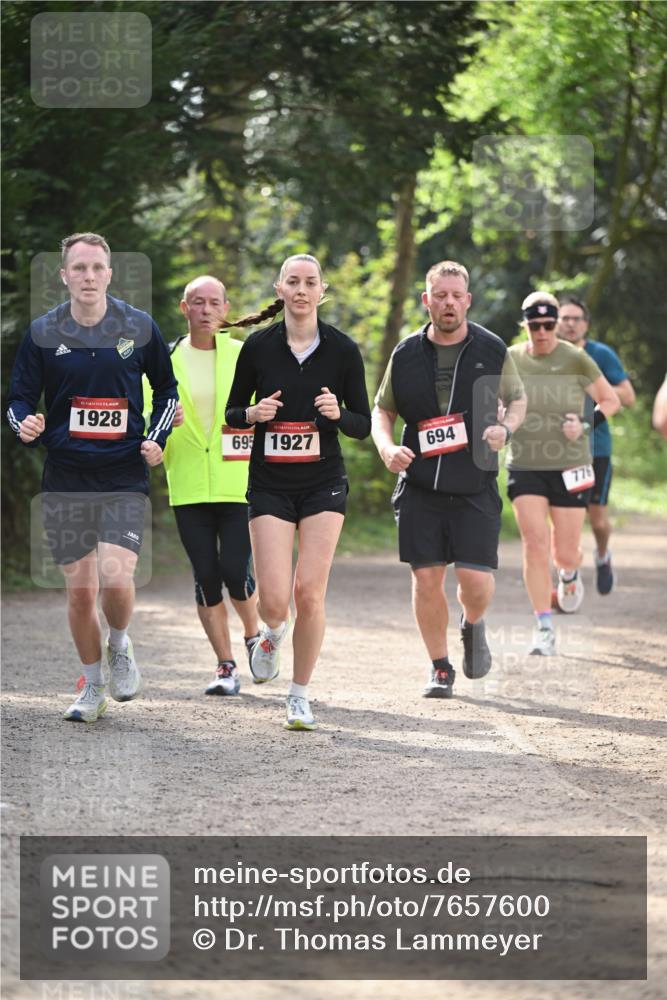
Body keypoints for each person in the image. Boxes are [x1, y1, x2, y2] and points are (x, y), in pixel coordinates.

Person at [6, 232, 178, 723]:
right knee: (79, 592)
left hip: (123, 473)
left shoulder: (138, 326)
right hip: (65, 475)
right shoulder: (43, 332)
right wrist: (27, 424)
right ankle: (92, 686)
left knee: (115, 573)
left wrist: (157, 439)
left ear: (109, 273)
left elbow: (167, 391)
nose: (87, 276)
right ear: (64, 275)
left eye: (96, 267)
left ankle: (120, 644)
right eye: (78, 268)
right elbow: (19, 400)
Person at [225, 253, 371, 731]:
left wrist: (337, 414)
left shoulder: (343, 351)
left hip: (323, 483)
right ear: (280, 289)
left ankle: (299, 695)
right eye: (294, 281)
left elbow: (362, 425)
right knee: (274, 600)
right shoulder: (258, 348)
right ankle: (271, 632)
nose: (302, 289)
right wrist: (253, 414)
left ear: (322, 292)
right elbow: (232, 413)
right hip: (269, 484)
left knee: (309, 592)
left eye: (311, 282)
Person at [372, 260, 527, 699]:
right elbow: (382, 410)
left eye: (456, 296)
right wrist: (386, 447)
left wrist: (506, 430)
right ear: (427, 300)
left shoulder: (492, 348)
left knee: (475, 584)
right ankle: (440, 667)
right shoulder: (405, 353)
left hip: (474, 482)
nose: (449, 303)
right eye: (440, 295)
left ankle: (472, 624)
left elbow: (517, 400)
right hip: (420, 486)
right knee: (426, 580)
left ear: (468, 300)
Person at [146, 275, 260, 695]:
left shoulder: (244, 354)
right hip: (189, 481)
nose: (206, 310)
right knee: (205, 576)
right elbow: (146, 412)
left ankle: (254, 635)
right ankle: (225, 666)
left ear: (226, 309)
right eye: (198, 302)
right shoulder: (166, 359)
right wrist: (155, 430)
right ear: (184, 308)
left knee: (235, 568)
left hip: (239, 480)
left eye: (214, 303)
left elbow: (267, 405)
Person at [507, 292, 620, 656]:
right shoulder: (509, 359)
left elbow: (611, 400)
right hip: (525, 462)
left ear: (556, 324)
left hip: (571, 463)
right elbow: (496, 401)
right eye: (534, 325)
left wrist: (585, 423)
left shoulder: (575, 358)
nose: (542, 331)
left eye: (548, 324)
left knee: (565, 552)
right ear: (524, 324)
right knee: (534, 543)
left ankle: (569, 575)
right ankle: (543, 626)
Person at [558, 296, 635, 594]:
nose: (570, 324)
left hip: (595, 450)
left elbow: (627, 396)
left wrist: (593, 386)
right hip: (557, 450)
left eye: (576, 319)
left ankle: (602, 555)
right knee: (563, 514)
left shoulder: (600, 354)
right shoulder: (547, 354)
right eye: (565, 318)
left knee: (597, 519)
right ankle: (568, 572)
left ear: (585, 325)